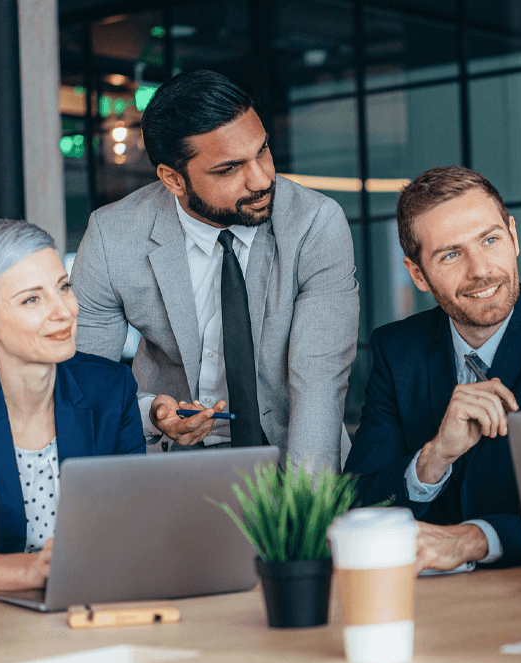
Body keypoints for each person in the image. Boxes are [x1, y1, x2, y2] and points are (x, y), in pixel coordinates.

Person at [71, 70, 358, 472]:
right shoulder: (113, 236)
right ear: (173, 179)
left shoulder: (315, 223)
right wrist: (151, 414)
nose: (262, 178)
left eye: (262, 151)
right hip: (165, 465)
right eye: (229, 169)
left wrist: (303, 518)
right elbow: (83, 382)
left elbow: (319, 385)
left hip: (291, 456)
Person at [345, 166, 521, 572]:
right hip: (430, 605)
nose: (479, 270)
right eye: (451, 254)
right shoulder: (397, 350)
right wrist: (435, 456)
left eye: (490, 240)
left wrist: (471, 540)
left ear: (513, 236)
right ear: (418, 274)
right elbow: (357, 506)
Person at [0, 220, 144, 591]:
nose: (63, 312)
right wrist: (38, 569)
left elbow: (134, 521)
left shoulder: (111, 388)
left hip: (97, 599)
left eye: (63, 288)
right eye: (32, 299)